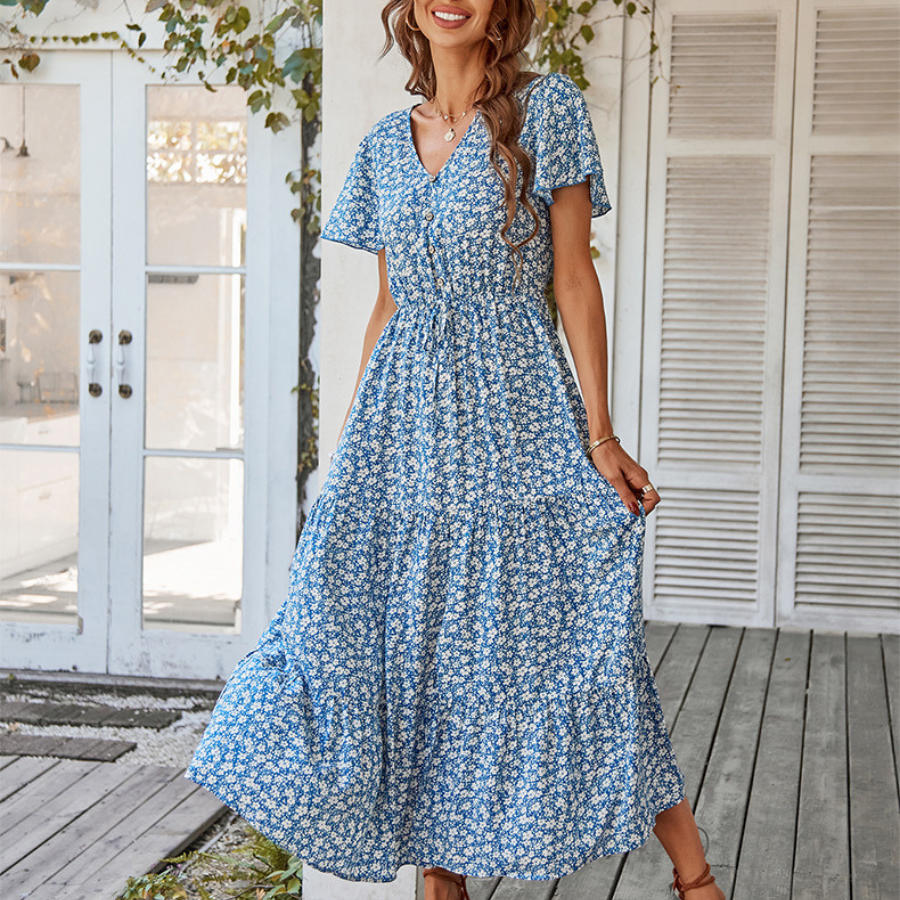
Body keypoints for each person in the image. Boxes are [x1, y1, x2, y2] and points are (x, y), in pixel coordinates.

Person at [185, 1, 726, 899]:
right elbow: (392, 300)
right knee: (410, 652)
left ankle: (695, 874)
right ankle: (444, 884)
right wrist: (354, 444)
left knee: (571, 649)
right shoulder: (383, 145)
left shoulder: (546, 111)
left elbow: (573, 277)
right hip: (404, 432)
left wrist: (600, 435)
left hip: (515, 415)